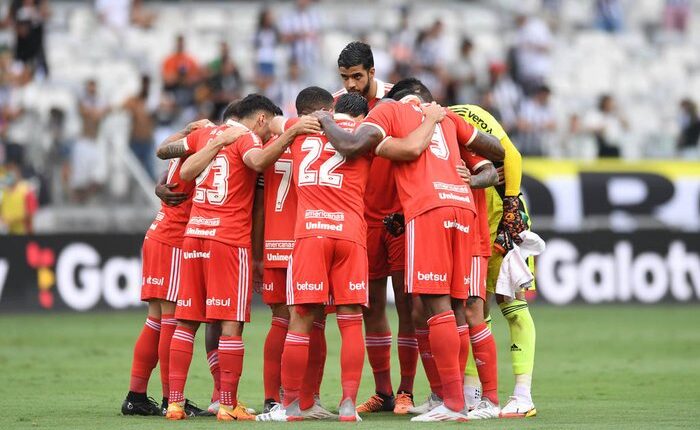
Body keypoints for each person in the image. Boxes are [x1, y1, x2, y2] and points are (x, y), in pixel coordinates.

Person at [313, 78, 503, 422]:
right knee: (457, 307)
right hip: (461, 209)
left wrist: (325, 120)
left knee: (433, 305)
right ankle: (453, 398)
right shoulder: (446, 117)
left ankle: (453, 403)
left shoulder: (391, 110)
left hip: (426, 209)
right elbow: (499, 150)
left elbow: (354, 144)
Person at [164, 94, 315, 421]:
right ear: (261, 119)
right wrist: (291, 133)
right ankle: (228, 404)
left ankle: (174, 403)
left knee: (186, 320)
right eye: (268, 128)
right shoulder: (247, 138)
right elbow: (258, 162)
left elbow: (173, 158)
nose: (268, 135)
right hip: (228, 240)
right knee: (231, 322)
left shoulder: (206, 134)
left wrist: (203, 138)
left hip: (195, 235)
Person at [332, 41, 416, 415]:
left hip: (398, 215)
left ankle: (406, 391)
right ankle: (383, 391)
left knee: (409, 304)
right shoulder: (339, 105)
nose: (350, 85)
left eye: (356, 77)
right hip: (361, 217)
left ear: (372, 72)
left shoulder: (400, 101)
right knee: (372, 306)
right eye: (345, 78)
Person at [120, 118, 217, 418]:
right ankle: (169, 398)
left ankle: (136, 396)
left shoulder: (188, 146)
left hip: (158, 233)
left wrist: (160, 184)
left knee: (156, 321)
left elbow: (166, 159)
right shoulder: (210, 144)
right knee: (171, 321)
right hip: (174, 238)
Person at [449, 102, 539, 419]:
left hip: (501, 218)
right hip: (470, 225)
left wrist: (512, 204)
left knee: (511, 304)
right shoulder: (421, 135)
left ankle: (523, 396)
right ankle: (474, 395)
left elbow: (510, 154)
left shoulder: (461, 114)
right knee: (474, 307)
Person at [124, 75, 156, 177]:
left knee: (149, 170)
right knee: (133, 172)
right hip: (135, 140)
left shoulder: (152, 100)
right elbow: (123, 107)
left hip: (147, 141)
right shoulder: (134, 101)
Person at [6, 0, 49, 77]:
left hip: (36, 48)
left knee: (39, 73)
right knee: (18, 71)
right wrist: (18, 28)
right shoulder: (16, 4)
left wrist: (37, 13)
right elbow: (9, 20)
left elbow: (47, 14)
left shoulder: (39, 3)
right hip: (21, 48)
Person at [280, 0, 321, 73]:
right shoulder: (289, 16)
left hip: (310, 59)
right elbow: (284, 38)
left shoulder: (313, 16)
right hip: (294, 60)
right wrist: (300, 35)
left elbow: (316, 36)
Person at [516, 84, 556, 156]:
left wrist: (533, 125)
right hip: (526, 146)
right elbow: (521, 125)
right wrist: (540, 125)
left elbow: (553, 125)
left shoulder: (548, 107)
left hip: (542, 146)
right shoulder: (527, 106)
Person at [0, 161, 37, 234]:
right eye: (7, 173)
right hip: (6, 232)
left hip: (23, 232)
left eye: (11, 173)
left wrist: (14, 219)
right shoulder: (3, 191)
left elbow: (30, 213)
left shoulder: (26, 189)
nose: (9, 176)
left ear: (18, 174)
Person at [254, 8, 279, 91]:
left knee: (271, 81)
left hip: (271, 58)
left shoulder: (274, 30)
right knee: (262, 81)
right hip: (261, 58)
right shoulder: (259, 31)